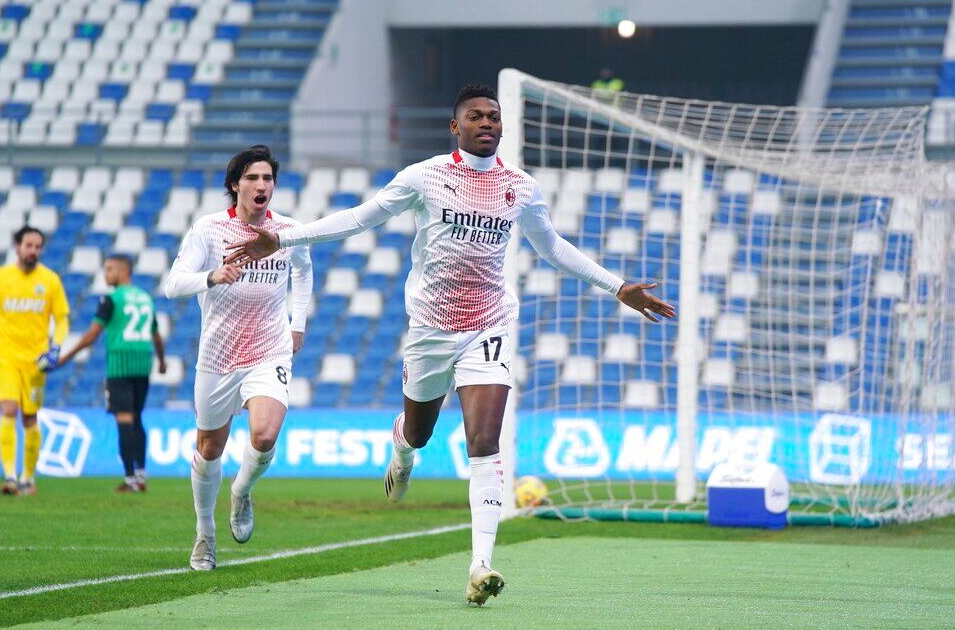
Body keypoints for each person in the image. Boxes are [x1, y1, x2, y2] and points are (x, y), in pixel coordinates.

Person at [224, 84, 676, 605]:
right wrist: (281, 237)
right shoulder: (426, 176)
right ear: (455, 127)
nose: (488, 123)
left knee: (484, 440)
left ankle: (480, 564)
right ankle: (402, 444)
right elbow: (359, 218)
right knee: (419, 433)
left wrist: (617, 286)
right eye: (476, 116)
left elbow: (551, 247)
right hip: (429, 331)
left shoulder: (520, 187)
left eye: (494, 117)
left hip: (490, 325)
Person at [165, 145, 313, 571]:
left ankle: (242, 489)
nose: (262, 185)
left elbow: (303, 271)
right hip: (217, 354)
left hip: (269, 349)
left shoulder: (287, 230)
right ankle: (205, 536)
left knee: (264, 435)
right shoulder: (209, 230)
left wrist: (297, 322)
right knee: (210, 448)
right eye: (253, 178)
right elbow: (174, 284)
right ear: (236, 185)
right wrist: (212, 275)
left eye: (268, 178)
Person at [56, 254, 167, 493]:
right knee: (137, 418)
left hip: (120, 367)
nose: (106, 274)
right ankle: (141, 473)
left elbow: (92, 335)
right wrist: (162, 361)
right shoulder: (145, 298)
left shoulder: (111, 299)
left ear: (122, 271)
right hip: (142, 365)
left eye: (109, 270)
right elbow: (156, 335)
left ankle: (129, 479)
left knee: (124, 420)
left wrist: (65, 357)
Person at [0, 226, 69, 496]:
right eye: (29, 245)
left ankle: (28, 479)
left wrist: (55, 347)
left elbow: (62, 318)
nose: (33, 251)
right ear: (17, 246)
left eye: (38, 246)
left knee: (30, 417)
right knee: (8, 409)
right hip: (6, 355)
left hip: (36, 360)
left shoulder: (51, 280)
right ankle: (9, 476)